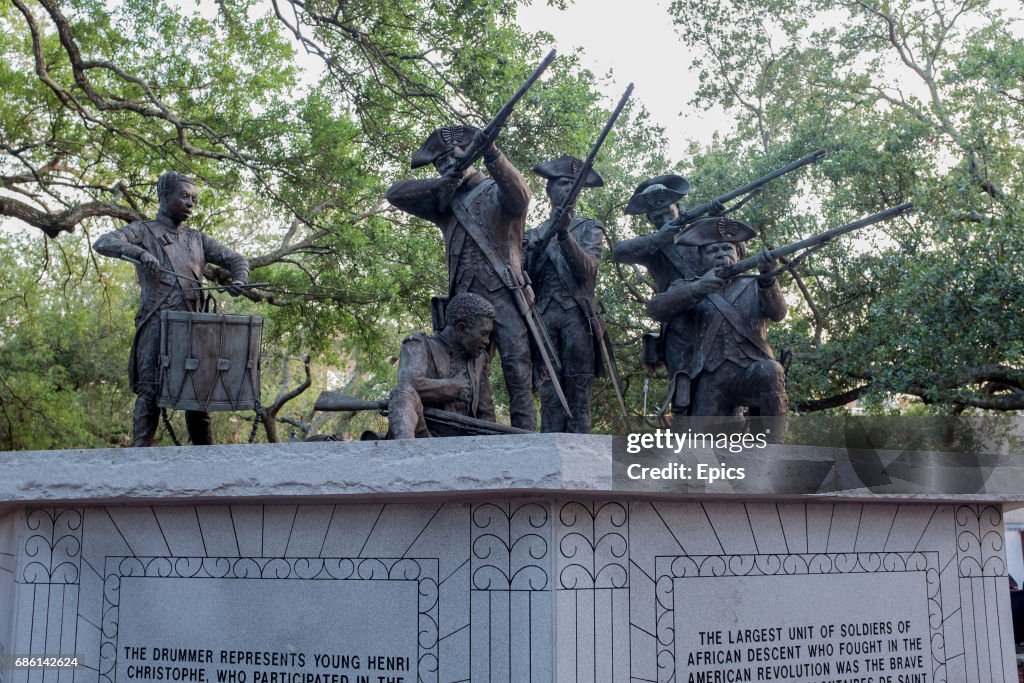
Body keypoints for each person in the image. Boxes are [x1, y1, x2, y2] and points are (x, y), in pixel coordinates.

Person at [386, 125, 535, 430]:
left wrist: (492, 152)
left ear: (470, 157)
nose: (448, 165)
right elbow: (394, 194)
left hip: (505, 293)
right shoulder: (446, 204)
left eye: (455, 159)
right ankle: (480, 432)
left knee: (517, 369)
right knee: (472, 375)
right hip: (464, 303)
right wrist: (441, 183)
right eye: (441, 163)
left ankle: (527, 440)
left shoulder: (496, 191)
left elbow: (521, 195)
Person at [93, 172, 249, 446]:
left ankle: (206, 463)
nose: (191, 204)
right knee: (149, 394)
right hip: (157, 323)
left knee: (199, 399)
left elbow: (236, 260)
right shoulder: (143, 231)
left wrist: (240, 280)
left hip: (193, 328)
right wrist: (140, 253)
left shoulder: (197, 239)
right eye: (184, 196)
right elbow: (103, 242)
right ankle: (140, 458)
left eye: (194, 199)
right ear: (164, 197)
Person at [645, 217, 787, 420]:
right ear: (700, 258)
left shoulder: (755, 284)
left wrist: (768, 277)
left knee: (771, 370)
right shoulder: (688, 286)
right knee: (699, 444)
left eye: (727, 248)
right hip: (710, 378)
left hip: (751, 372)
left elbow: (778, 314)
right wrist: (697, 289)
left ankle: (773, 448)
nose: (721, 254)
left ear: (738, 253)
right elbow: (655, 309)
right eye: (713, 251)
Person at [523, 155, 606, 433]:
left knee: (579, 394)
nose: (567, 190)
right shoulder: (532, 235)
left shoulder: (589, 227)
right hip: (543, 319)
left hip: (578, 319)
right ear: (549, 191)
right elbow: (524, 277)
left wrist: (563, 235)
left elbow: (588, 272)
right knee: (549, 394)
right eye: (561, 184)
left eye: (573, 185)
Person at [389, 292, 496, 439]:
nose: (487, 341)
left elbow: (486, 413)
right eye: (484, 333)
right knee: (403, 393)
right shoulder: (419, 344)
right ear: (461, 329)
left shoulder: (479, 359)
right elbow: (409, 385)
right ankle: (406, 452)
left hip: (466, 443)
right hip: (425, 437)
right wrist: (452, 387)